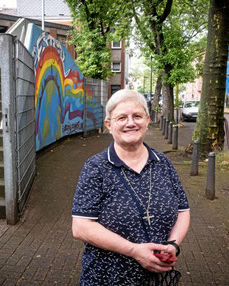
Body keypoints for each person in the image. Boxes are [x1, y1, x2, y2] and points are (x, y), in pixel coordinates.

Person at [72, 89, 190, 285]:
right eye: (121, 118)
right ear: (109, 125)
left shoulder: (163, 163)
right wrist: (134, 251)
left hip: (155, 279)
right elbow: (81, 227)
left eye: (137, 116)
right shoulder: (95, 168)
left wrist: (173, 244)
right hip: (107, 277)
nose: (130, 123)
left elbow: (183, 210)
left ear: (147, 120)